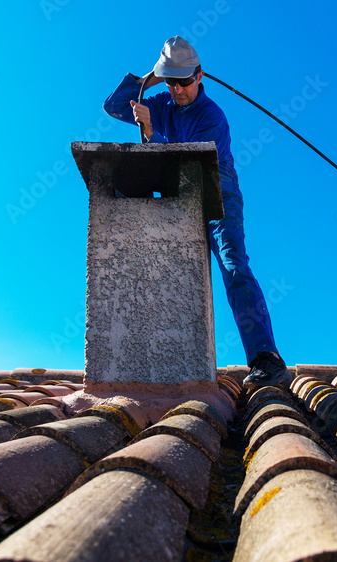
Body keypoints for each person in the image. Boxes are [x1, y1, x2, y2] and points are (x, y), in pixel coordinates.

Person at [103, 36, 290, 389]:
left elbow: (189, 160)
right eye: (172, 82)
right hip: (181, 194)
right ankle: (170, 361)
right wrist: (151, 79)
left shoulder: (211, 116)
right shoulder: (162, 101)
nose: (179, 90)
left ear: (200, 76)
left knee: (233, 266)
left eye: (184, 81)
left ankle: (267, 357)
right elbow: (114, 105)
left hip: (217, 190)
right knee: (171, 272)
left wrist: (151, 131)